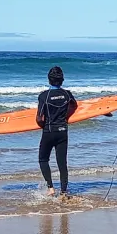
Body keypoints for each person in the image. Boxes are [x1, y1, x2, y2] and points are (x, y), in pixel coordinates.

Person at [36, 66, 77, 198]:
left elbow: (39, 118)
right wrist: (66, 116)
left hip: (49, 131)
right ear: (62, 80)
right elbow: (74, 105)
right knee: (62, 163)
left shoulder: (43, 96)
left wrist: (43, 126)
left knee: (43, 159)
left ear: (49, 80)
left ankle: (51, 189)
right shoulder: (67, 94)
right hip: (62, 131)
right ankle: (64, 192)